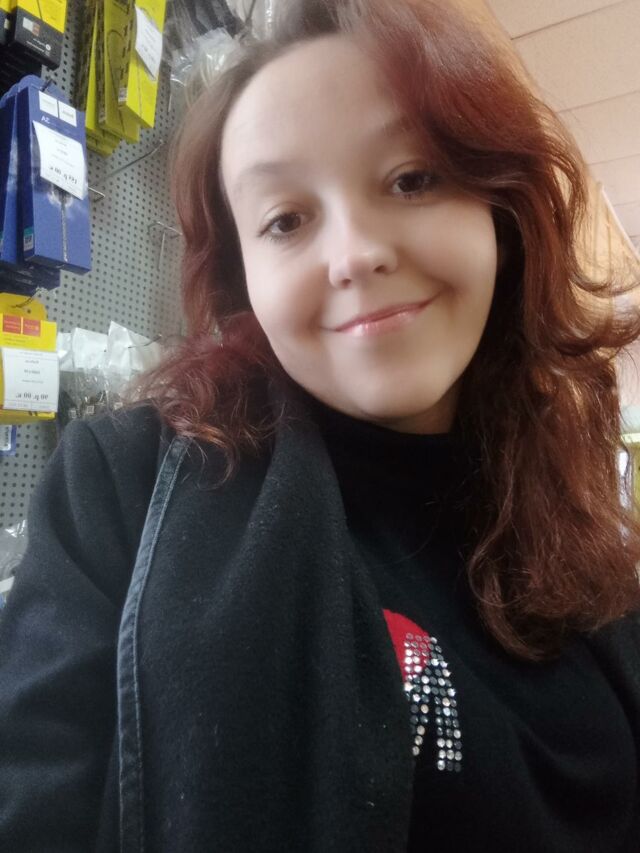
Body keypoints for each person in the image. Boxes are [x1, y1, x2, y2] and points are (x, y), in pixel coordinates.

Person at [1, 0, 639, 850]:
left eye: (411, 178)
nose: (353, 255)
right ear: (244, 283)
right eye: (286, 220)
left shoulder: (588, 540)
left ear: (501, 208)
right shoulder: (118, 488)